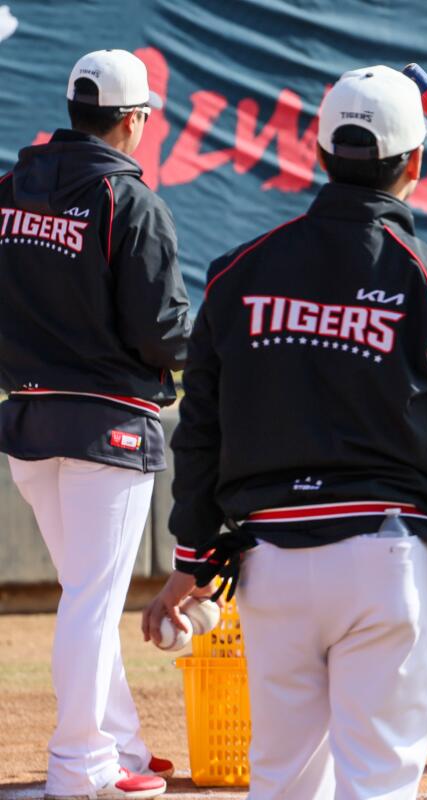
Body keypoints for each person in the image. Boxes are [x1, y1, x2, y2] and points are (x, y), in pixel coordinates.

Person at [141, 66, 427, 799]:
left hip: (271, 567)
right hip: (384, 560)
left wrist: (191, 560)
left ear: (320, 154)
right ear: (415, 163)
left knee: (284, 780)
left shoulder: (238, 274)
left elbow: (198, 435)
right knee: (378, 779)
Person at [0, 49, 190, 800]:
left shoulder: (10, 187)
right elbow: (160, 330)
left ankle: (120, 746)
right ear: (136, 119)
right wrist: (204, 354)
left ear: (75, 110)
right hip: (106, 424)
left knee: (86, 592)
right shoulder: (128, 200)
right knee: (92, 599)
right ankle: (80, 766)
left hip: (28, 422)